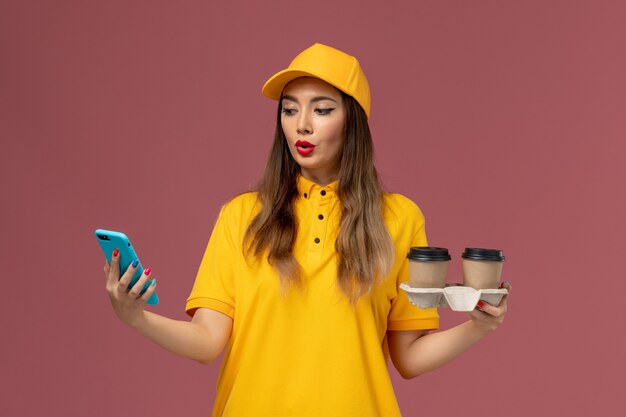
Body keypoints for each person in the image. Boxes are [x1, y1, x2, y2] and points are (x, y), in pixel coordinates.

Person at [103, 43, 511, 417]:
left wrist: (479, 325)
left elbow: (409, 357)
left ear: (353, 121)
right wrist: (135, 317)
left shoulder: (400, 219)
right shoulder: (242, 215)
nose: (302, 125)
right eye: (289, 109)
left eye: (321, 109)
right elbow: (207, 340)